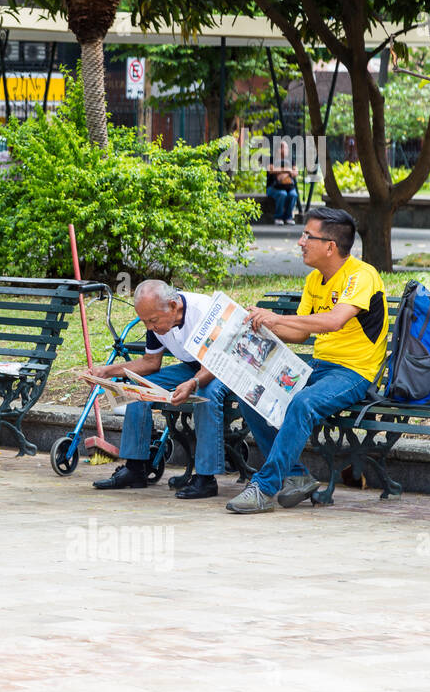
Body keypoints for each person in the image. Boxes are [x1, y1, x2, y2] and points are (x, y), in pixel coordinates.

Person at [226, 207, 387, 513]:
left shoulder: (362, 275)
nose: (300, 242)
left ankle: (264, 487)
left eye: (307, 236)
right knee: (252, 395)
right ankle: (298, 477)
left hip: (354, 373)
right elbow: (300, 333)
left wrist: (277, 317)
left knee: (303, 404)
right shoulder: (315, 279)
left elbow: (334, 321)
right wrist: (262, 325)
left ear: (330, 246)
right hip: (319, 368)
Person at [89, 280, 232, 500]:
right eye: (145, 321)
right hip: (193, 366)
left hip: (224, 366)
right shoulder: (156, 318)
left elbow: (214, 363)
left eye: (153, 321)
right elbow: (150, 362)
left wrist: (193, 383)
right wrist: (107, 371)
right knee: (136, 387)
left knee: (206, 394)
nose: (149, 327)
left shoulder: (203, 312)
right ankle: (135, 468)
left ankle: (206, 478)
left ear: (173, 306)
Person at [267, 141, 300, 225]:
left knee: (293, 195)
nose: (287, 149)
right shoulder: (271, 159)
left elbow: (295, 172)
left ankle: (288, 217)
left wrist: (288, 173)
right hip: (273, 187)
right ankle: (278, 217)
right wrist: (288, 170)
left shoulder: (290, 160)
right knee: (282, 194)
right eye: (285, 147)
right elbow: (271, 170)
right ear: (279, 149)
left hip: (288, 186)